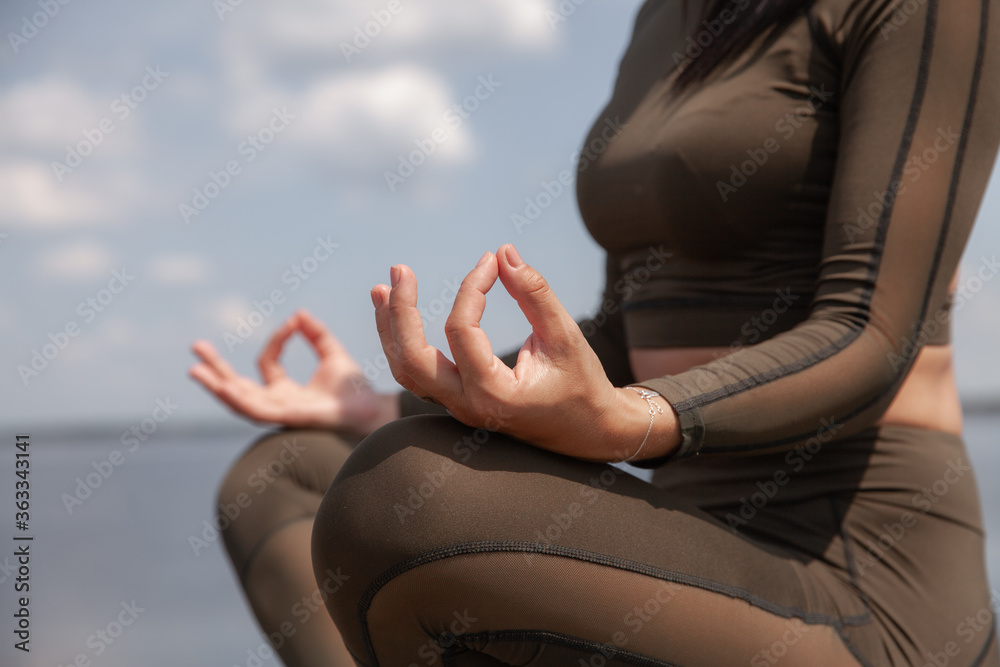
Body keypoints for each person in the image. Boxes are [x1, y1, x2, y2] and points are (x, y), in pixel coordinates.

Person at [191, 0, 1000, 664]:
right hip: (696, 539)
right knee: (286, 470)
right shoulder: (662, 18)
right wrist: (400, 402)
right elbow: (625, 327)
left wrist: (636, 419)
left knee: (398, 498)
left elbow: (872, 330)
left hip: (857, 576)